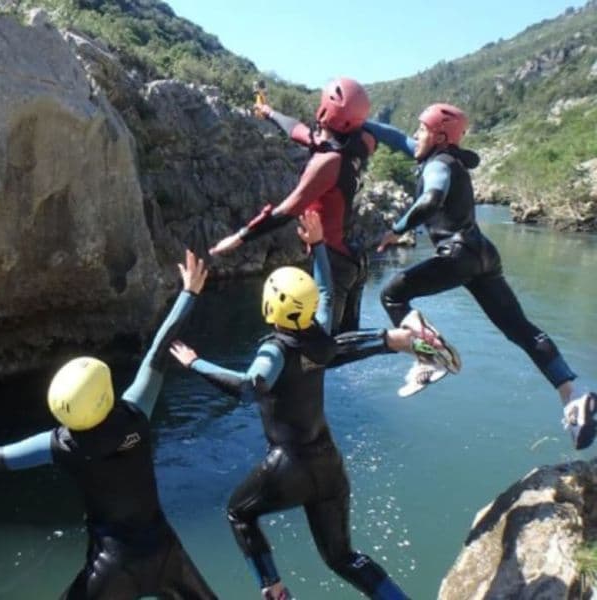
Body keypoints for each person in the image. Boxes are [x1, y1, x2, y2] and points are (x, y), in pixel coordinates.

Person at [0, 250, 217, 600]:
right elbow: (158, 351)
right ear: (104, 393)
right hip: (166, 554)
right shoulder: (135, 413)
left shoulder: (62, 445)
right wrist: (189, 293)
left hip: (114, 569)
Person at [170, 211, 452, 600]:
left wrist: (194, 363)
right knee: (342, 557)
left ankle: (275, 591)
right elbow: (324, 290)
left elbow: (249, 387)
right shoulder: (319, 332)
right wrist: (318, 245)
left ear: (270, 307)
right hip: (328, 464)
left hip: (289, 466)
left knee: (239, 513)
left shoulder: (274, 349)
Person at [364, 103, 596, 449]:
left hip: (458, 254)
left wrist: (396, 229)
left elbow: (430, 199)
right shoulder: (438, 153)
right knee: (521, 330)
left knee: (392, 295)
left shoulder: (439, 164)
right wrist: (356, 123)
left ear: (440, 136)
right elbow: (394, 137)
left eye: (422, 129)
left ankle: (430, 356)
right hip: (482, 254)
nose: (415, 134)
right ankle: (574, 397)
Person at [210, 77, 376, 334]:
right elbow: (298, 130)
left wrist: (239, 238)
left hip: (332, 263)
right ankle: (397, 340)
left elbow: (287, 210)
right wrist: (268, 112)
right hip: (349, 257)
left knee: (321, 346)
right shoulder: (355, 144)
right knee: (341, 341)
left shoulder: (328, 162)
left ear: (323, 111)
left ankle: (403, 339)